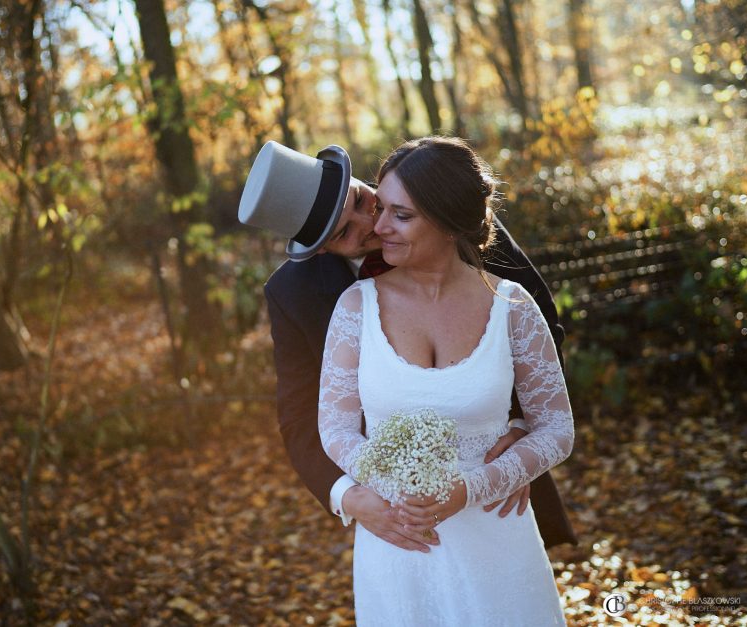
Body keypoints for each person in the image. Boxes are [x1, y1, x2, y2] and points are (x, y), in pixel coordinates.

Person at [238, 140, 575, 554]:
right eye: (346, 231)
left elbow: (538, 323)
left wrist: (522, 430)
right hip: (400, 517)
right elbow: (300, 417)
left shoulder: (442, 203)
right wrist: (349, 495)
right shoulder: (294, 295)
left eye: (362, 199)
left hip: (499, 494)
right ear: (321, 249)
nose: (373, 222)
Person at [317, 136, 573, 624]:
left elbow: (557, 428)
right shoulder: (355, 307)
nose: (380, 225)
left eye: (402, 215)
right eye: (382, 208)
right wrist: (393, 487)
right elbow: (335, 427)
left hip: (498, 540)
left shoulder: (513, 305)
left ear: (449, 221)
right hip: (399, 541)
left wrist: (471, 488)